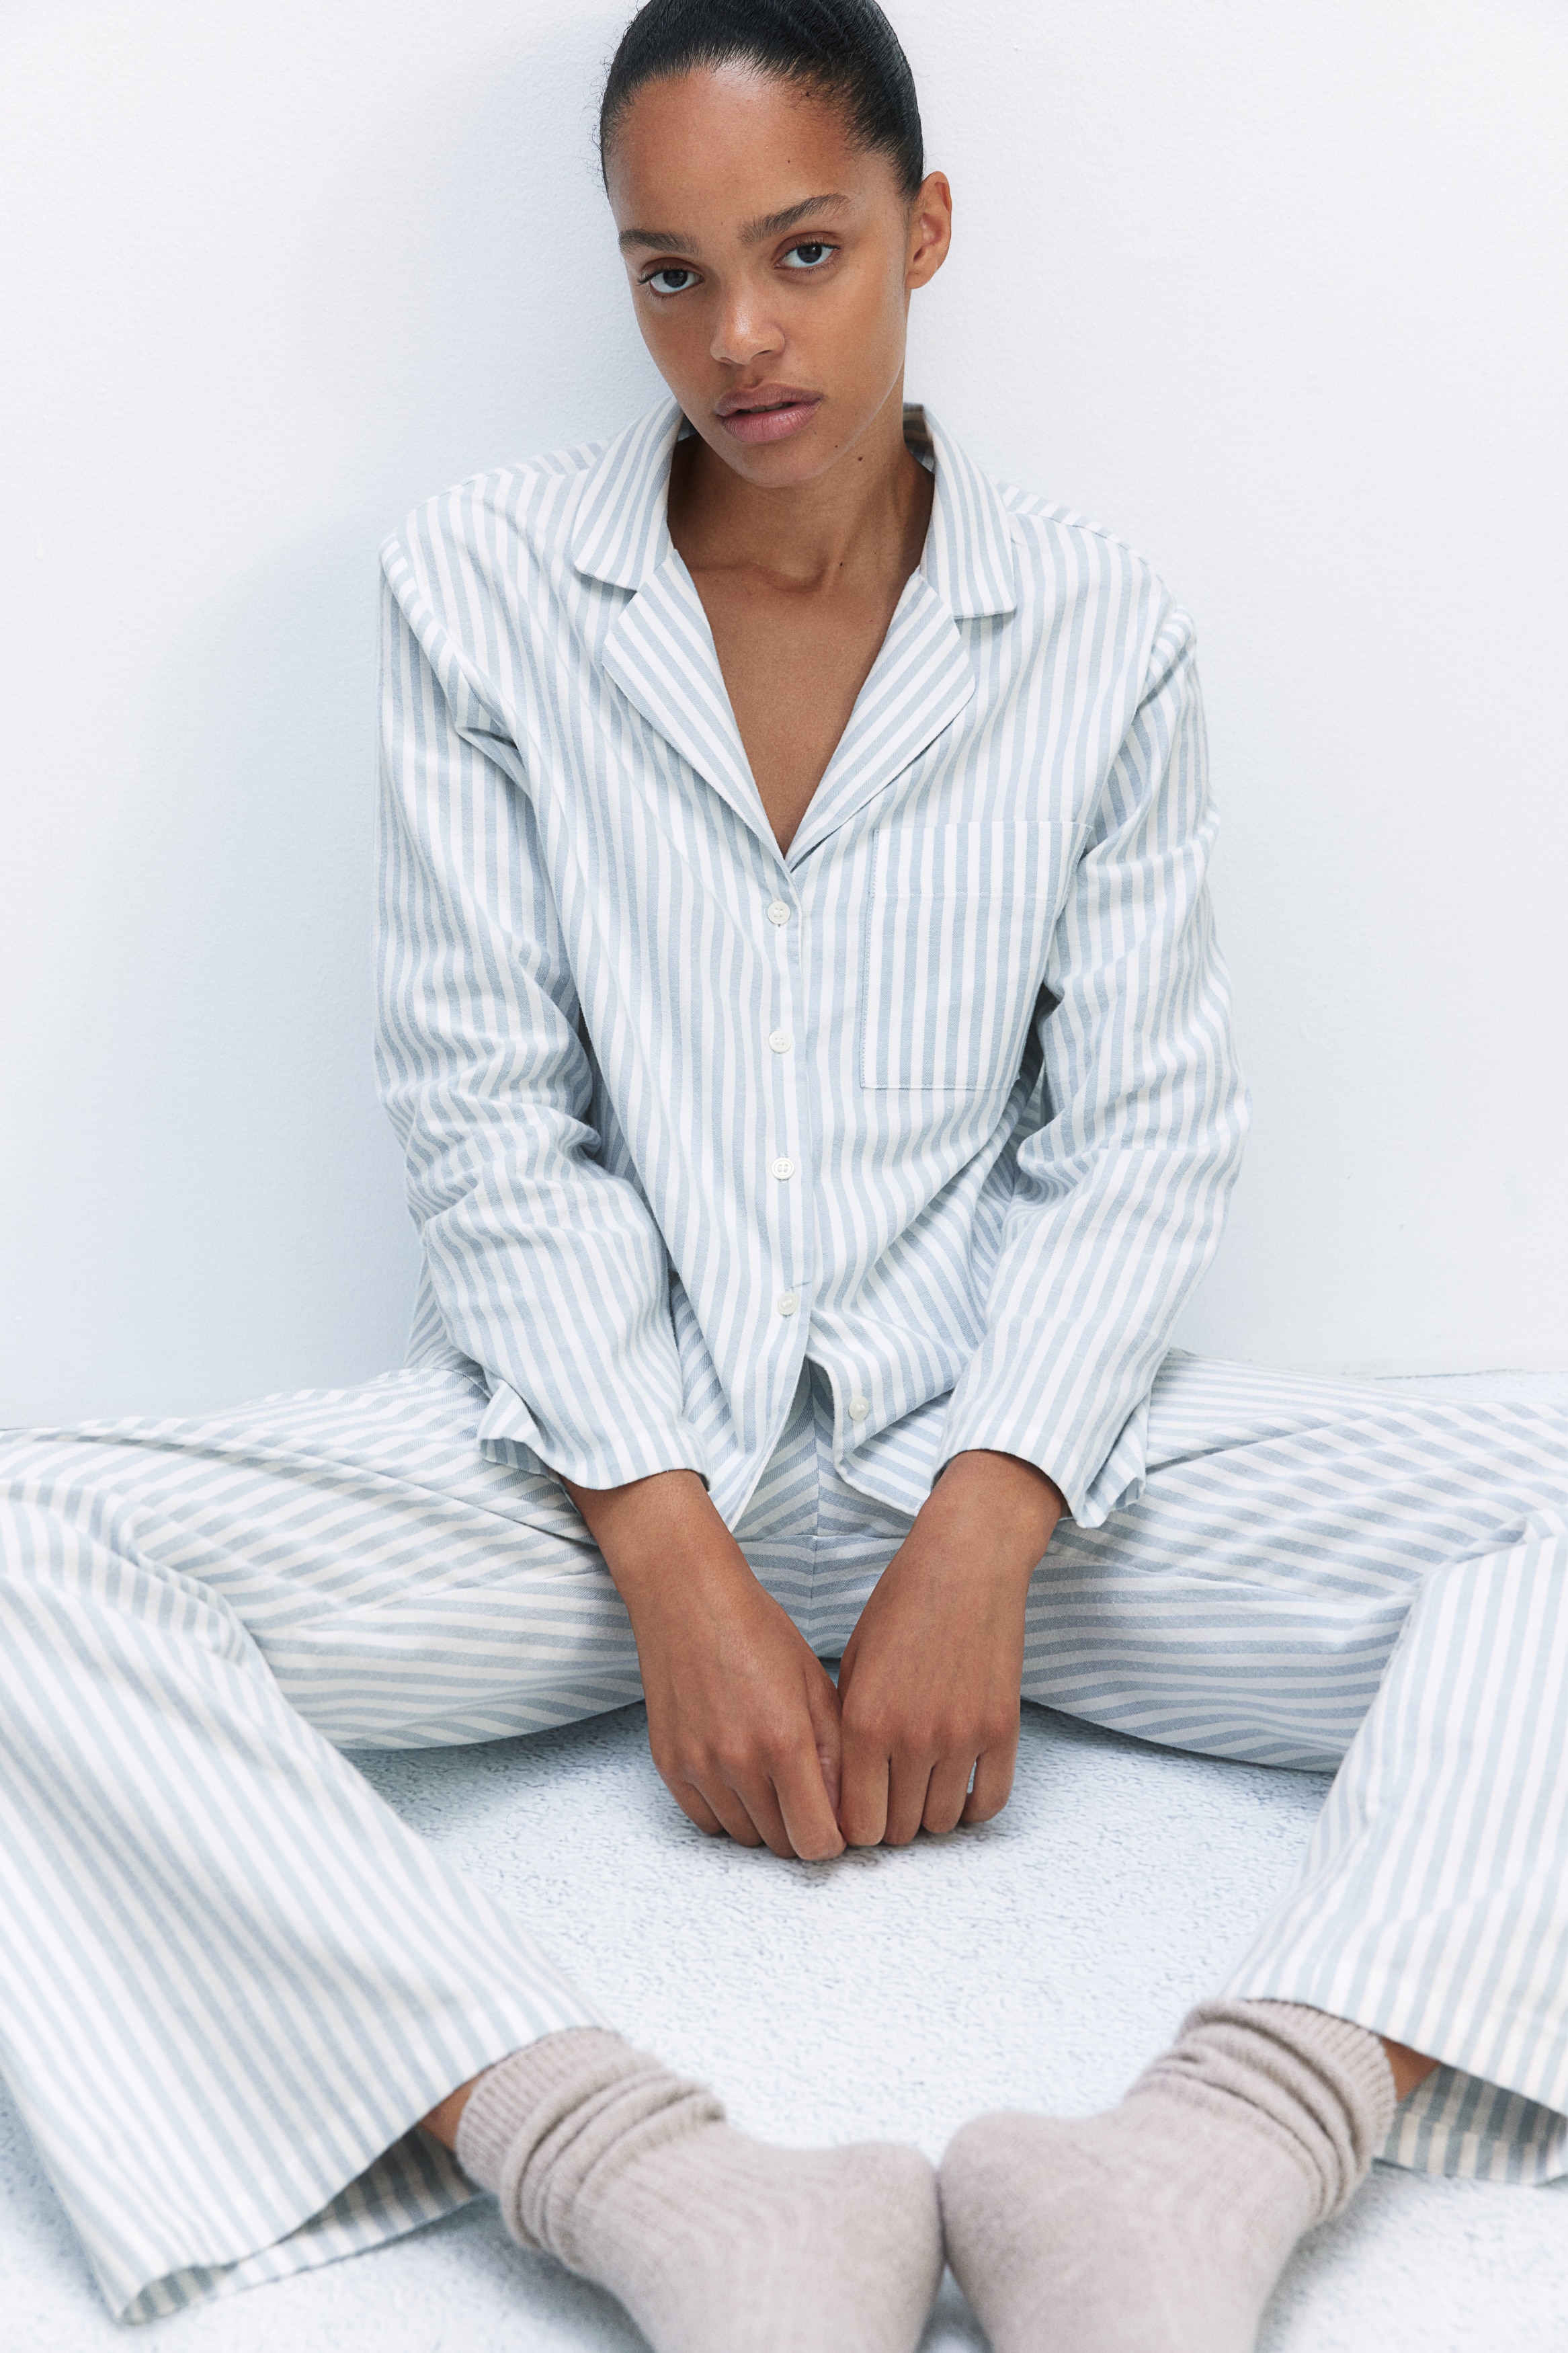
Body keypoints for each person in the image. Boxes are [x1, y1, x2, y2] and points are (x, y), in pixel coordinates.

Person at [1, 1, 1564, 2347]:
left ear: (921, 230)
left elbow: (1145, 1129)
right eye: (672, 271)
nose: (738, 334)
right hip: (584, 1487)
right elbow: (479, 1107)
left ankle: (1222, 2146)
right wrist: (671, 1557)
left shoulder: (1102, 626)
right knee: (20, 1549)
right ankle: (640, 2171)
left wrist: (989, 1519)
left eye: (802, 250)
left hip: (1026, 1485)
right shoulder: (482, 586)